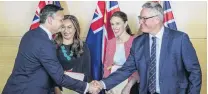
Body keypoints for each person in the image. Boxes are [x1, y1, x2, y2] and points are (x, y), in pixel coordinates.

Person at [91, 1, 202, 94]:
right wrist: (102, 83)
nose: (140, 22)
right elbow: (126, 69)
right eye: (140, 18)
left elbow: (194, 72)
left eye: (144, 18)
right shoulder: (138, 42)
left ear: (157, 19)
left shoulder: (180, 39)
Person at [2, 4, 99, 94]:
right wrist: (87, 87)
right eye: (61, 20)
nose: (62, 24)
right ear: (50, 20)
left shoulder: (30, 34)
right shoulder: (45, 43)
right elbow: (59, 77)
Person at [103, 11, 139, 94]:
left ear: (125, 23)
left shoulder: (135, 41)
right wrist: (106, 84)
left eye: (117, 23)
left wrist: (128, 87)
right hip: (111, 83)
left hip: (130, 84)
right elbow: (106, 65)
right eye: (112, 24)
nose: (114, 27)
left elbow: (138, 69)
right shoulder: (110, 42)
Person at [54, 15, 92, 94]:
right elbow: (50, 73)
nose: (66, 30)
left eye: (69, 27)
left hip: (79, 89)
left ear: (75, 29)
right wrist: (57, 90)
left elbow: (87, 73)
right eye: (63, 27)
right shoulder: (54, 46)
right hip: (60, 90)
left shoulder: (83, 46)